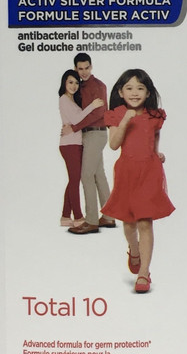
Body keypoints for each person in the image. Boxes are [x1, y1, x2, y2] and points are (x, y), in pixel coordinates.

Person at [101, 69, 174, 293]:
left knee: (145, 221)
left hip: (149, 171)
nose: (135, 93)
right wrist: (125, 120)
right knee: (129, 222)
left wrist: (156, 151)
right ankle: (134, 249)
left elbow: (155, 133)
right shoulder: (116, 114)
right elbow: (114, 144)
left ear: (148, 92)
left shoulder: (154, 115)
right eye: (129, 88)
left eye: (140, 88)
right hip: (127, 172)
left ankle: (144, 272)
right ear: (120, 92)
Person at [63, 53, 116, 234]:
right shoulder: (79, 87)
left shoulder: (98, 86)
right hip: (87, 135)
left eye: (87, 68)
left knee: (86, 175)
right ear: (76, 69)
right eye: (80, 69)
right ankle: (109, 217)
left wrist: (74, 127)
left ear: (91, 66)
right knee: (98, 175)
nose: (84, 72)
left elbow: (98, 113)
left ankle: (91, 220)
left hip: (95, 133)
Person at [57, 70, 104, 228]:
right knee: (75, 180)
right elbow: (77, 119)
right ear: (64, 83)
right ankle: (78, 216)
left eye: (76, 83)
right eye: (70, 82)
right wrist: (92, 106)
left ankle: (65, 216)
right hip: (69, 145)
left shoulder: (73, 101)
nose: (74, 86)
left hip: (76, 144)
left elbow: (76, 120)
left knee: (73, 180)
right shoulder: (64, 99)